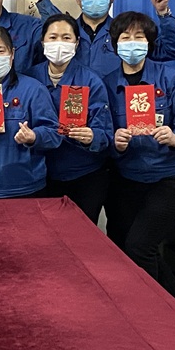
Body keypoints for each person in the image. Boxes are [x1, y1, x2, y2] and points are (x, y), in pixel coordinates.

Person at [103, 11, 175, 301]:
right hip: (130, 176)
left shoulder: (172, 79)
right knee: (130, 245)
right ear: (115, 44)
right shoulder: (107, 84)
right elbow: (101, 133)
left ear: (150, 43)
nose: (132, 43)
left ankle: (154, 314)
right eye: (125, 37)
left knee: (140, 246)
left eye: (139, 37)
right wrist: (115, 143)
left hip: (172, 174)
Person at [31, 14, 113, 223]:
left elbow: (105, 134)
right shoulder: (30, 78)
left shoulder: (91, 81)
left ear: (76, 44)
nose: (59, 43)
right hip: (42, 175)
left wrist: (92, 137)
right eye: (53, 37)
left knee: (81, 233)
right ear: (43, 42)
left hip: (84, 175)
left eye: (66, 38)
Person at [0, 26, 61, 198]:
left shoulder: (33, 89)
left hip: (26, 187)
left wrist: (34, 136)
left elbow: (55, 134)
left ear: (12, 53)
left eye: (0, 51)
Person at [70, 0, 175, 77]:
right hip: (74, 92)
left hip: (117, 92)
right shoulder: (67, 33)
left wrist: (163, 12)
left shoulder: (127, 32)